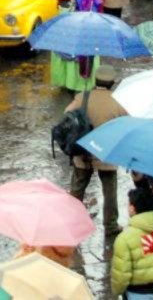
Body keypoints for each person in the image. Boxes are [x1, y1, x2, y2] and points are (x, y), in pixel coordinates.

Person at [65, 66, 127, 236]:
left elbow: (67, 113)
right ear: (112, 83)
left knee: (78, 186)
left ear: (95, 80)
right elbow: (128, 122)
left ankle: (72, 221)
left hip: (83, 150)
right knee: (109, 190)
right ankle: (111, 225)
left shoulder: (82, 97)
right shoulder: (117, 101)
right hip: (106, 153)